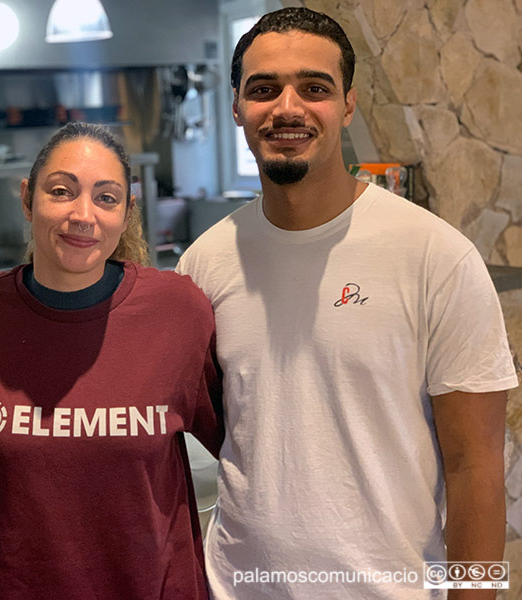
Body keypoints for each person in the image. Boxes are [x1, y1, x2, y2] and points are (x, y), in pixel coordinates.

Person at [175, 7, 516, 599]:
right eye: (263, 89)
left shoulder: (435, 258)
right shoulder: (203, 265)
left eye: (314, 87)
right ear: (236, 107)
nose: (287, 108)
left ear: (348, 105)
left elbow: (478, 471)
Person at [0, 122, 223, 599]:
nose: (83, 215)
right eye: (61, 191)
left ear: (128, 212)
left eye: (107, 198)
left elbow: (247, 454)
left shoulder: (178, 312)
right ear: (28, 198)